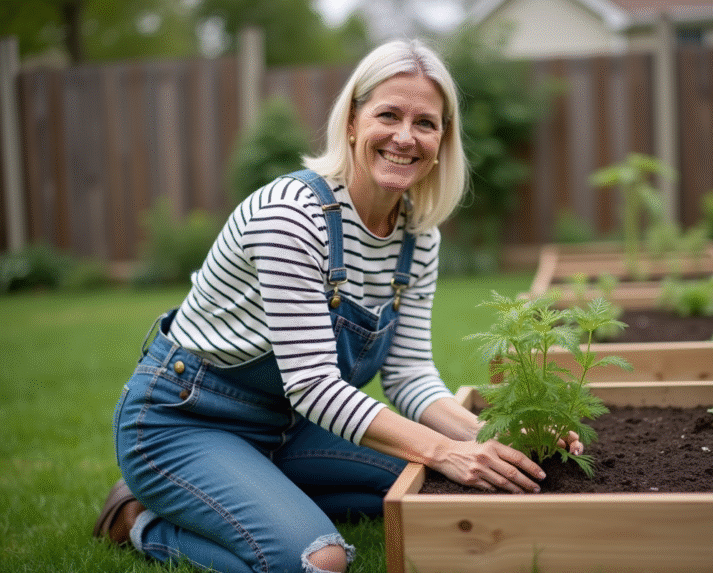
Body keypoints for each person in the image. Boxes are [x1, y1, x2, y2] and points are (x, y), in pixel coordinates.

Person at [93, 39, 584, 573]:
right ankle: (142, 521)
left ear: (443, 138)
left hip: (287, 427)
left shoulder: (418, 235)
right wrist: (445, 449)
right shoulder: (291, 215)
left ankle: (257, 491)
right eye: (388, 115)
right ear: (352, 122)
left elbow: (410, 374)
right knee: (317, 560)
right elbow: (314, 387)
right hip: (185, 419)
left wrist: (490, 439)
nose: (405, 136)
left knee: (430, 491)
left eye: (426, 122)